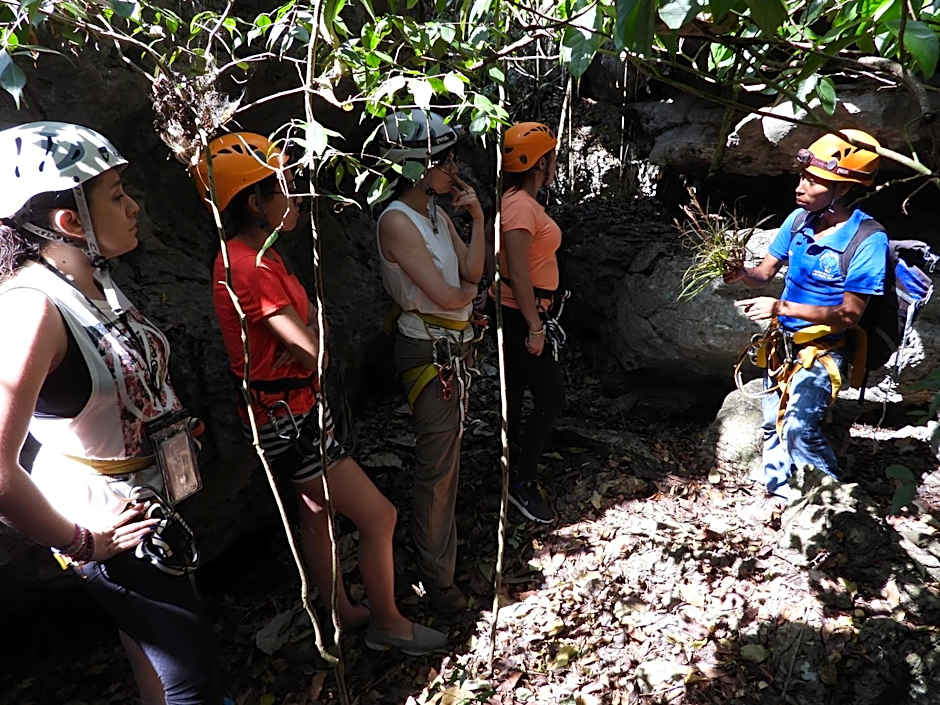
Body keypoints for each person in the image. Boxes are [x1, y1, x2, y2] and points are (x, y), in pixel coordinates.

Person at [195, 131, 446, 655]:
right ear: (254, 202)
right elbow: (311, 351)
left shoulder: (250, 256)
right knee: (380, 516)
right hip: (288, 415)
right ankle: (389, 624)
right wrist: (323, 340)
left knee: (315, 513)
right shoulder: (252, 266)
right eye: (282, 188)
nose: (294, 198)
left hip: (284, 410)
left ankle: (341, 610)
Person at [0, 122, 218, 704]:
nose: (134, 206)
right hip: (111, 526)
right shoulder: (32, 312)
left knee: (157, 665)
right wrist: (82, 542)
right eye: (117, 195)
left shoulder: (92, 281)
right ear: (69, 221)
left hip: (143, 505)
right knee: (191, 683)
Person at [726, 129, 888, 501]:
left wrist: (780, 307)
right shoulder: (799, 221)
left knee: (799, 428)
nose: (801, 187)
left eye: (814, 182)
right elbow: (764, 274)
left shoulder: (867, 240)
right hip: (783, 346)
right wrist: (741, 273)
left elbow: (849, 315)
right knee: (772, 424)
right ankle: (784, 498)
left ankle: (834, 507)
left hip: (824, 349)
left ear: (843, 190)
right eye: (803, 177)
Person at [376, 110, 485, 614]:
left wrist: (478, 219)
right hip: (430, 349)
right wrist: (467, 293)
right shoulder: (397, 220)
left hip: (453, 347)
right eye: (443, 159)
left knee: (448, 460)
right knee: (437, 468)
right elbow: (448, 294)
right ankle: (437, 579)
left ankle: (442, 559)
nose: (453, 167)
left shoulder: (437, 215)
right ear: (416, 165)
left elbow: (471, 270)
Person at [494, 122, 567, 524]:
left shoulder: (520, 202)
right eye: (551, 156)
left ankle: (512, 476)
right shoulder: (520, 206)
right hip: (522, 314)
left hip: (524, 312)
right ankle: (521, 483)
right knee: (549, 397)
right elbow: (518, 272)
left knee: (521, 396)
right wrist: (534, 326)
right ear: (541, 163)